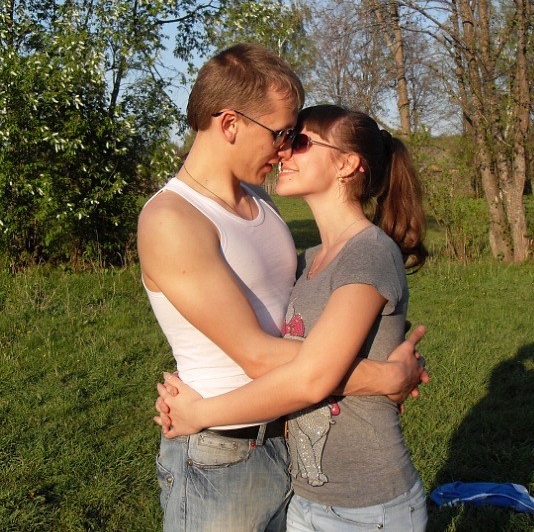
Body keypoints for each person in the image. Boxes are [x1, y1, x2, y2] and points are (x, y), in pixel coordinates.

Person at [138, 44, 427, 532]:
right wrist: (382, 377)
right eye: (281, 133)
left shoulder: (260, 203)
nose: (285, 149)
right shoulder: (173, 219)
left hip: (290, 442)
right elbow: (257, 354)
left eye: (295, 137)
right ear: (230, 124)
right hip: (222, 451)